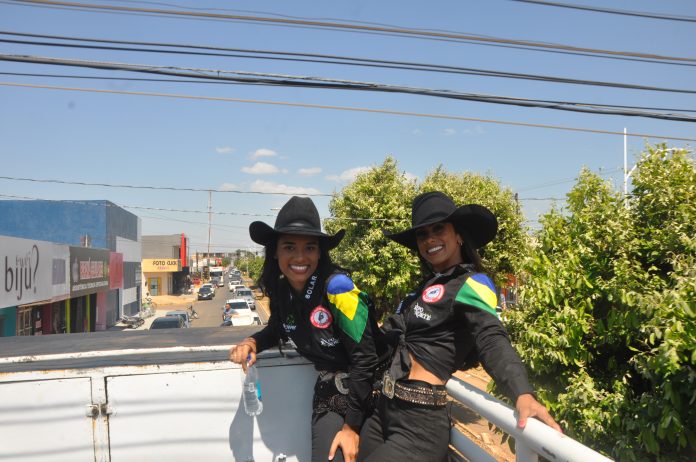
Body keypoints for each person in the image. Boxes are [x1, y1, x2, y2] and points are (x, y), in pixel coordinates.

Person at [358, 191, 561, 462]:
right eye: (422, 234)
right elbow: (384, 338)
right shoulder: (420, 291)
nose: (429, 239)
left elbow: (490, 336)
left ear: (459, 235)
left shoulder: (473, 283)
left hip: (417, 423)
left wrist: (522, 392)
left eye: (438, 229)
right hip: (383, 408)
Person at [229, 196, 388, 462]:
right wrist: (252, 342)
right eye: (289, 247)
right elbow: (277, 329)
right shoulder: (282, 290)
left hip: (373, 391)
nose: (300, 257)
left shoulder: (338, 288)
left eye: (310, 248)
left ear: (319, 253)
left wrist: (351, 428)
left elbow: (365, 358)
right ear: (275, 251)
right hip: (332, 391)